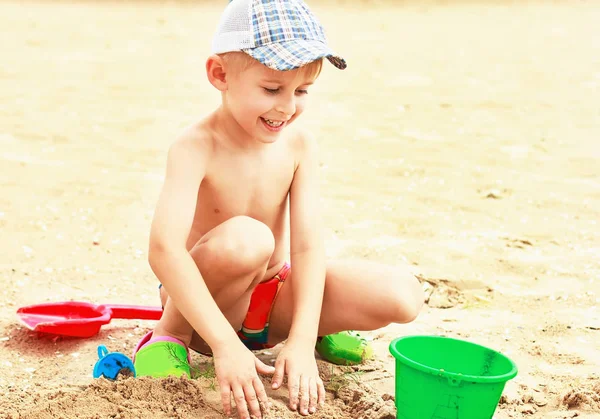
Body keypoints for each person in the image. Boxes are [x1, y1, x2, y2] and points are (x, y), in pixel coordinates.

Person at [132, 0, 424, 418]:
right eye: (272, 89)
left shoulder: (299, 144)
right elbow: (164, 250)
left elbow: (306, 248)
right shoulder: (195, 147)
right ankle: (169, 336)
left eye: (301, 91)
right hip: (211, 306)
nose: (287, 108)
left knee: (402, 295)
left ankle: (316, 329)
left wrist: (302, 341)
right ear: (220, 75)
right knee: (249, 239)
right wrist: (225, 346)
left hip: (273, 297)